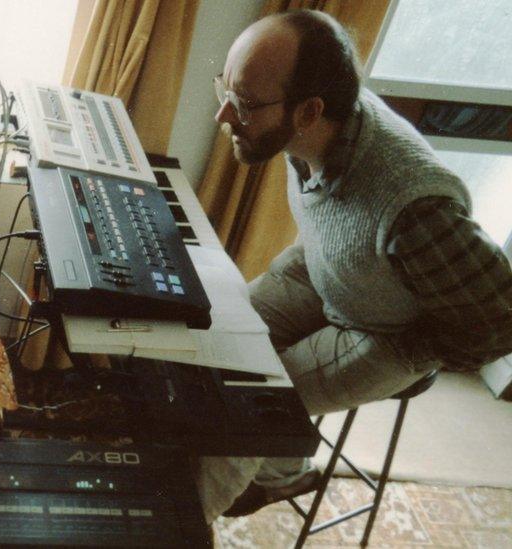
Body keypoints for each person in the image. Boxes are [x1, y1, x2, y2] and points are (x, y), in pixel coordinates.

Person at [195, 9, 512, 522]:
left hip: (382, 333)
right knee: (212, 340)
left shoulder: (416, 210)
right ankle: (284, 463)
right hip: (335, 268)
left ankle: (184, 521)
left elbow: (500, 321)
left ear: (308, 112)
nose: (225, 117)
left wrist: (412, 353)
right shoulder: (310, 125)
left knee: (246, 403)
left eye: (245, 104)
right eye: (225, 91)